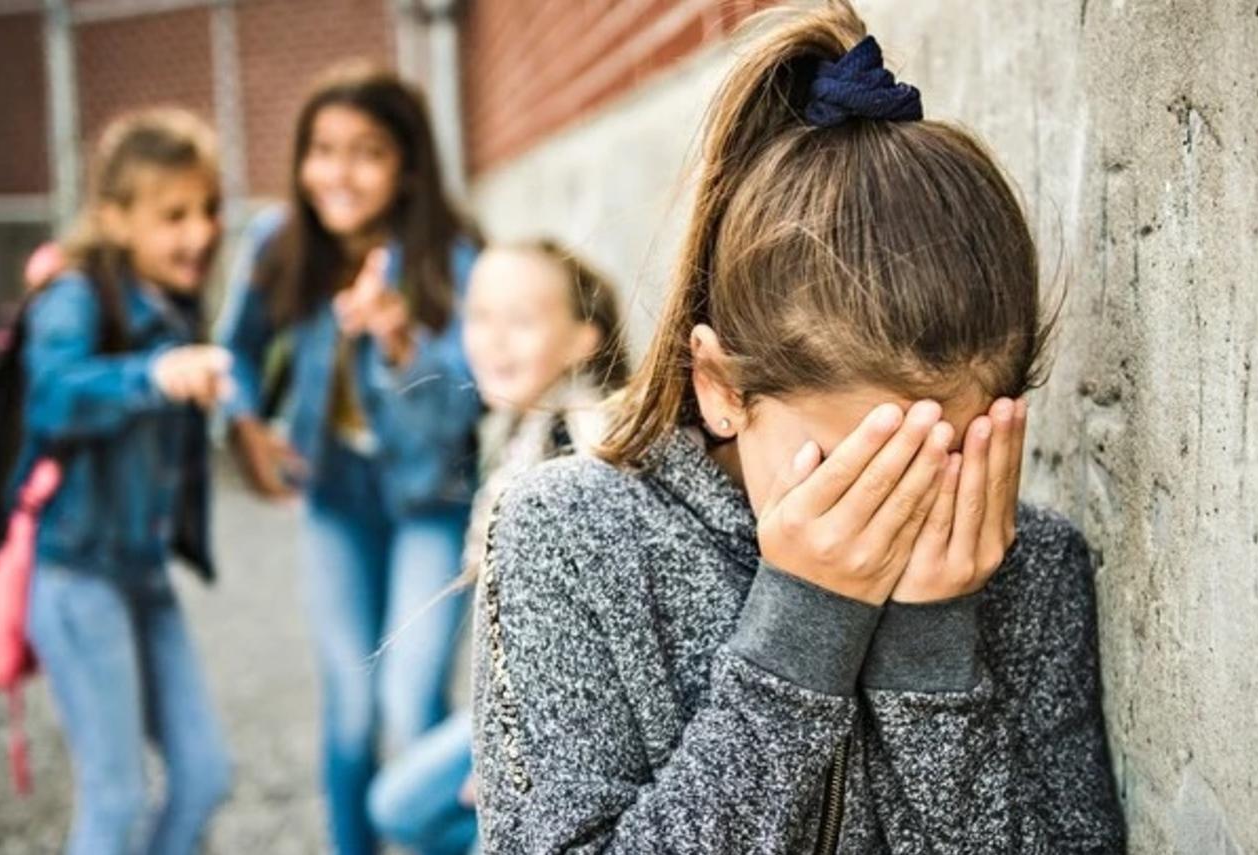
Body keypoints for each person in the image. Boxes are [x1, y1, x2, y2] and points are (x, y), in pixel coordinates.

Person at [471, 3, 1126, 852]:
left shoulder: (1030, 570)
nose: (898, 509)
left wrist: (933, 654)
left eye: (944, 458)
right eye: (856, 468)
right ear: (721, 389)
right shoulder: (568, 537)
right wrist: (800, 636)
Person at [215, 61, 482, 855]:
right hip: (336, 497)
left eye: (366, 151)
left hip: (432, 497)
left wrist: (401, 340)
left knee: (410, 700)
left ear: (406, 166)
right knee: (353, 708)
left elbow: (469, 406)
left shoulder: (452, 256)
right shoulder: (278, 244)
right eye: (322, 150)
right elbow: (234, 353)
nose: (339, 172)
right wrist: (243, 425)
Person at [368, 239, 629, 854]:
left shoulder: (586, 441)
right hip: (521, 708)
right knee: (397, 806)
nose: (494, 339)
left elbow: (593, 633)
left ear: (581, 340)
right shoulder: (521, 428)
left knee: (427, 815)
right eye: (479, 317)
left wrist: (515, 767)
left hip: (570, 726)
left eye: (522, 320)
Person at [22, 108, 233, 855]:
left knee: (206, 774)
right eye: (173, 214)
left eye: (207, 209)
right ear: (114, 219)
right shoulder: (76, 295)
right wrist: (154, 374)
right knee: (115, 799)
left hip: (143, 575)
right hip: (77, 578)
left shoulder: (174, 304)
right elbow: (50, 397)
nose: (200, 231)